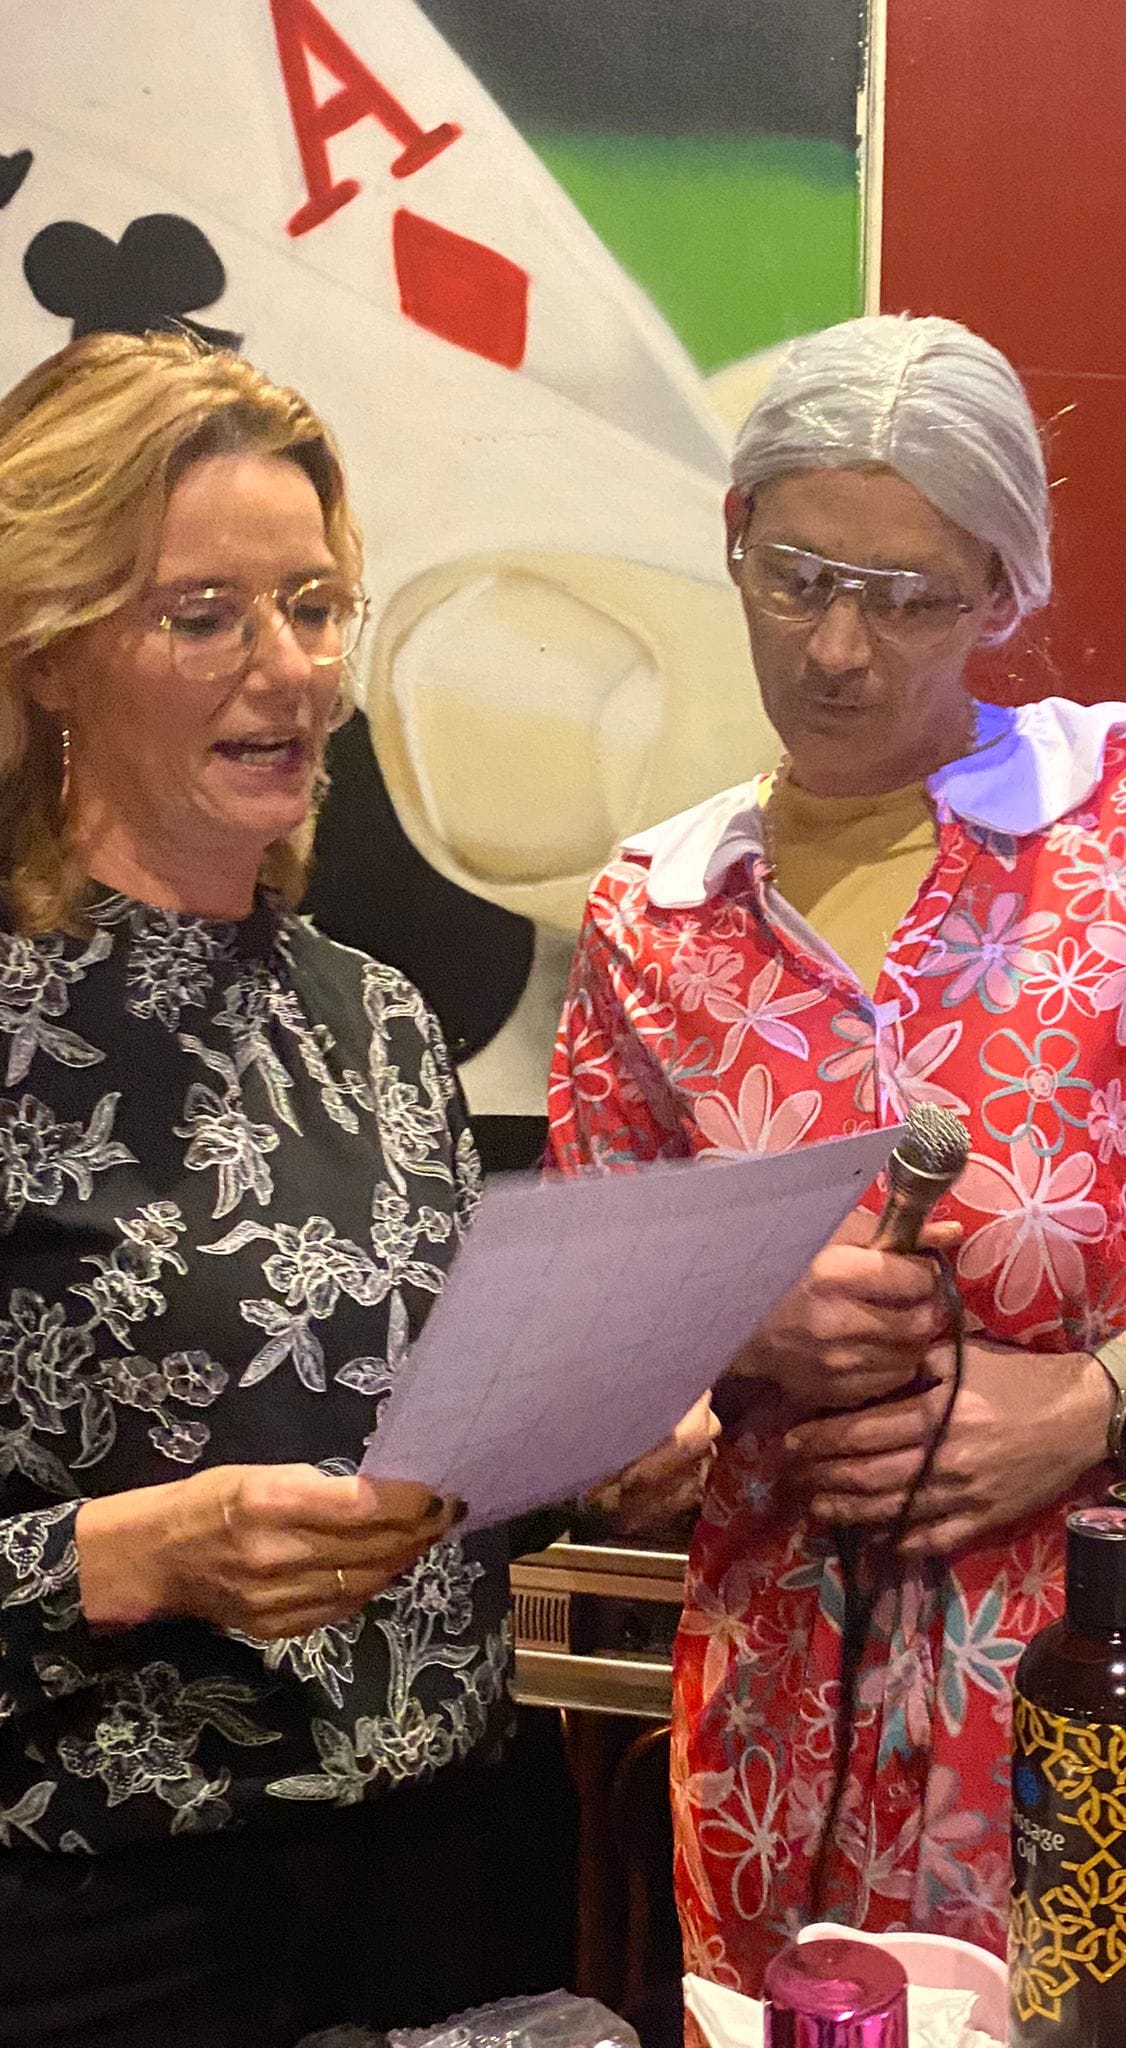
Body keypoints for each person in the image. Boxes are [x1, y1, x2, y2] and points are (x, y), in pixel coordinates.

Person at [546, 313, 1126, 1990]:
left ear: (1003, 595)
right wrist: (728, 1337)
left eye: (910, 598)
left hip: (1107, 1688)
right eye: (799, 578)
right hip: (777, 1732)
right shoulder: (656, 920)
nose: (838, 649)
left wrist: (1094, 1405)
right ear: (733, 535)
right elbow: (596, 1370)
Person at [0, 330, 545, 2047]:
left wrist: (597, 1443)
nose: (290, 667)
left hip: (448, 1883)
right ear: (50, 653)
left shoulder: (377, 1019)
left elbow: (414, 1463)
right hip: (112, 1930)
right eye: (203, 614)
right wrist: (127, 1556)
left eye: (313, 605)